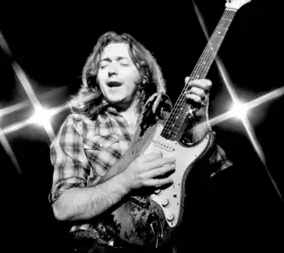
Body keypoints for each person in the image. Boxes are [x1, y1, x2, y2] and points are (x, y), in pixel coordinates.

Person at [48, 31, 233, 253]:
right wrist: (127, 180)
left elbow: (218, 175)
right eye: (104, 64)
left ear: (143, 74)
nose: (111, 70)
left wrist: (201, 119)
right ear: (96, 77)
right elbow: (63, 207)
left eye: (122, 63)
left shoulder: (169, 121)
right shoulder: (80, 124)